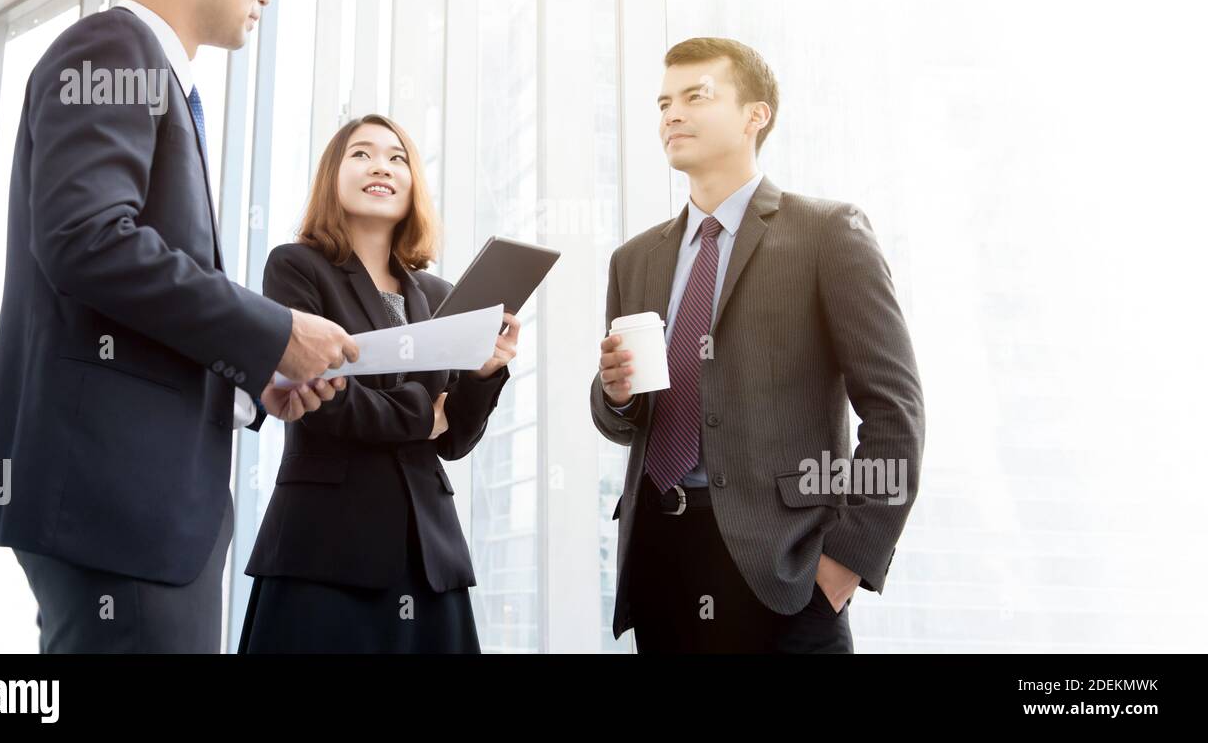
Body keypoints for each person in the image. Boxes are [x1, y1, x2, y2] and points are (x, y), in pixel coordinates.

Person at [0, 0, 356, 653]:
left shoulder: (154, 77)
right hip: (120, 506)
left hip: (133, 508)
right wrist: (273, 328)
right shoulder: (115, 49)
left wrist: (251, 379)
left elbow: (126, 278)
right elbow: (87, 240)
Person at [591, 37, 925, 653]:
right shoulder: (633, 259)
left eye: (696, 96)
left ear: (755, 114)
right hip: (661, 562)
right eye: (663, 102)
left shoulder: (828, 232)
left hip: (785, 570)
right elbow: (625, 422)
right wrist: (614, 395)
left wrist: (845, 563)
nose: (672, 114)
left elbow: (894, 411)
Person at [238, 114, 517, 653]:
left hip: (428, 553)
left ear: (413, 183)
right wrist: (423, 414)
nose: (380, 167)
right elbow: (317, 396)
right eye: (361, 154)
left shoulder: (439, 294)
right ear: (333, 177)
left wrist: (484, 373)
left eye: (397, 157)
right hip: (325, 550)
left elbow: (453, 439)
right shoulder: (296, 268)